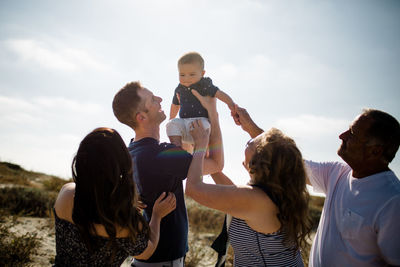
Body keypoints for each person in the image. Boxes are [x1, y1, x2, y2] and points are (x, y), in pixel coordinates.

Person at [233, 106, 400, 266]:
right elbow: (287, 158)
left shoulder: (392, 200)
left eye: (353, 134)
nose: (342, 135)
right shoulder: (337, 173)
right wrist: (250, 126)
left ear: (375, 151)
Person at [185, 95, 312, 266]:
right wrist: (213, 115)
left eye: (256, 141)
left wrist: (200, 145)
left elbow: (193, 189)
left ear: (259, 162)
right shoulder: (272, 192)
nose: (253, 137)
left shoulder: (257, 200)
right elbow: (230, 190)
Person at [112, 82, 223, 266]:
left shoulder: (130, 152)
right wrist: (213, 115)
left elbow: (183, 161)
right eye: (152, 99)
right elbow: (217, 164)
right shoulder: (161, 155)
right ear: (141, 117)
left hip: (145, 256)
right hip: (165, 258)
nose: (160, 99)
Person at [53, 128, 176, 267]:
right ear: (121, 165)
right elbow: (147, 251)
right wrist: (157, 216)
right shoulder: (121, 220)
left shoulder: (66, 193)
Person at [167, 51, 235, 148]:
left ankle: (201, 150)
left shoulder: (204, 84)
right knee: (171, 124)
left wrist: (231, 104)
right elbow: (175, 105)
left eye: (192, 74)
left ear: (202, 73)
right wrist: (171, 117)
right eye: (182, 75)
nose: (186, 78)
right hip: (184, 125)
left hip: (200, 123)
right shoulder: (179, 88)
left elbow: (219, 93)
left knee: (205, 125)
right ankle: (177, 147)